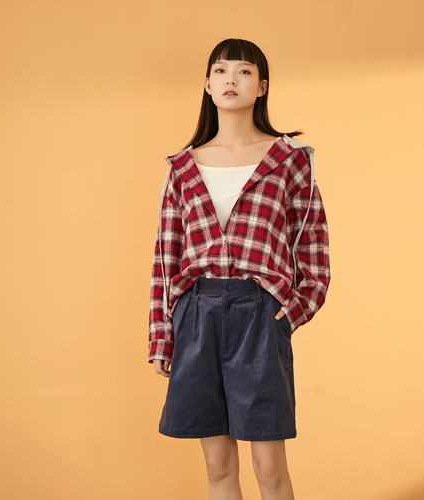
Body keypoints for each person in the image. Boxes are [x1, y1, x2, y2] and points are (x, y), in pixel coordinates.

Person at [147, 38, 331, 499]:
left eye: (244, 71)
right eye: (221, 70)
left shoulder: (290, 160)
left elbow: (314, 248)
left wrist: (290, 312)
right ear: (208, 85)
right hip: (197, 314)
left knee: (270, 468)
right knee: (217, 467)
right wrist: (162, 335)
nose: (231, 79)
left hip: (259, 315)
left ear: (262, 86)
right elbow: (166, 257)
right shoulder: (182, 168)